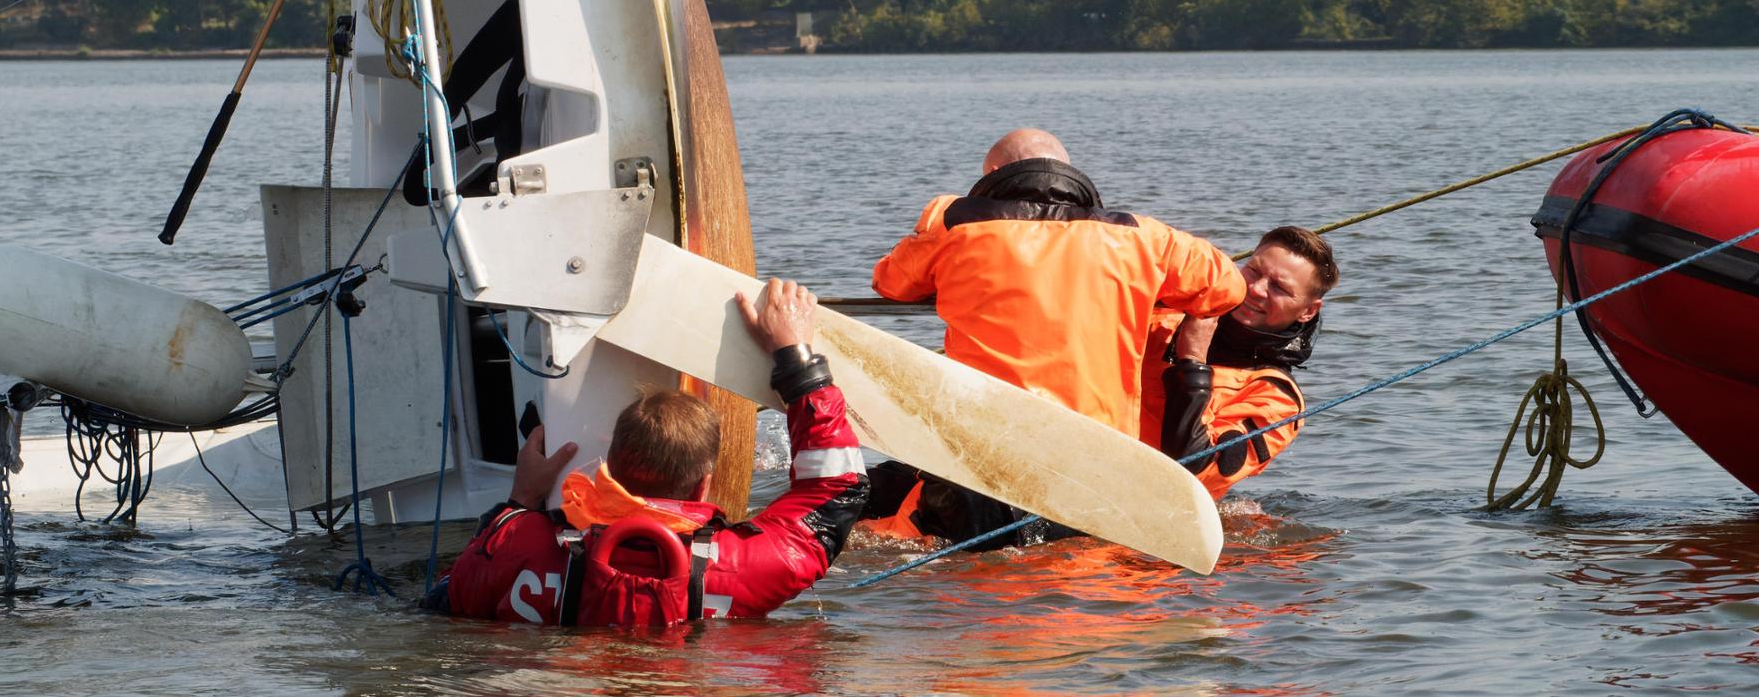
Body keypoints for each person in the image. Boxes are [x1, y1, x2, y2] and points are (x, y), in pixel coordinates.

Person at [861, 128, 1246, 546]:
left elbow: (890, 282)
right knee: (1078, 578)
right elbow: (1228, 287)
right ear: (1070, 174)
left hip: (982, 459)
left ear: (993, 175)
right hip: (1092, 464)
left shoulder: (954, 221)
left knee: (905, 552)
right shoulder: (1141, 236)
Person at [429, 279, 867, 626]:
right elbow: (838, 489)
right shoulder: (748, 567)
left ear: (610, 469)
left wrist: (518, 502)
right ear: (703, 484)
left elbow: (450, 595)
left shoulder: (517, 547)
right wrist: (797, 356)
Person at [1141, 226, 1339, 500]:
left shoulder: (1277, 399)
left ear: (1308, 311)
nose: (1256, 289)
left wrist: (1191, 361)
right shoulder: (1166, 312)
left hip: (1152, 501)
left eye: (1279, 287)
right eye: (1254, 271)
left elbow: (1194, 471)